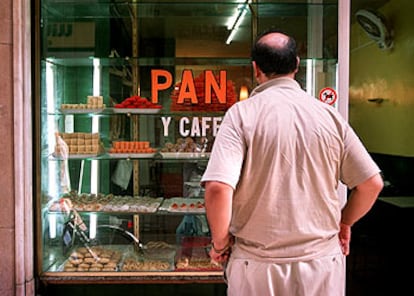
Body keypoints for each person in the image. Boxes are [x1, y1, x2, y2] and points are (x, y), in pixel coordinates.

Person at [201, 29, 383, 296]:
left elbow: (217, 188)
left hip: (258, 266)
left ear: (255, 69)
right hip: (321, 265)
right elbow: (371, 183)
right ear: (297, 64)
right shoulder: (328, 116)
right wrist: (345, 223)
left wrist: (219, 244)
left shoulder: (241, 114)